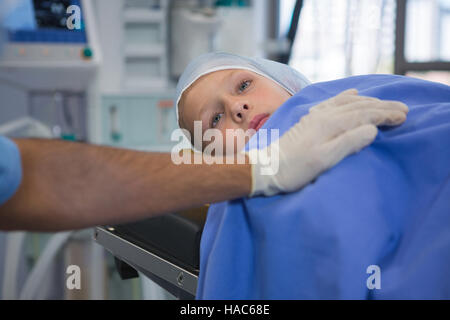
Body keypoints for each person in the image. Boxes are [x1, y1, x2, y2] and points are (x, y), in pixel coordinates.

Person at [0, 53, 408, 232]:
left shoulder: (364, 90)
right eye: (214, 119)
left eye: (245, 84)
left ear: (286, 80)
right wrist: (262, 169)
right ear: (211, 158)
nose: (239, 107)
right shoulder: (235, 208)